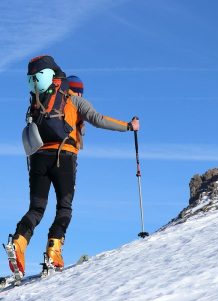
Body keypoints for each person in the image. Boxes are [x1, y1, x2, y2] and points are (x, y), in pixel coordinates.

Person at [9, 55, 139, 275]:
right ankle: (53, 252)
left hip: (38, 157)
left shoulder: (40, 99)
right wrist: (128, 126)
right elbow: (98, 119)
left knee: (36, 208)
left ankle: (19, 242)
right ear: (78, 90)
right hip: (64, 158)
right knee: (64, 207)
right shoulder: (75, 100)